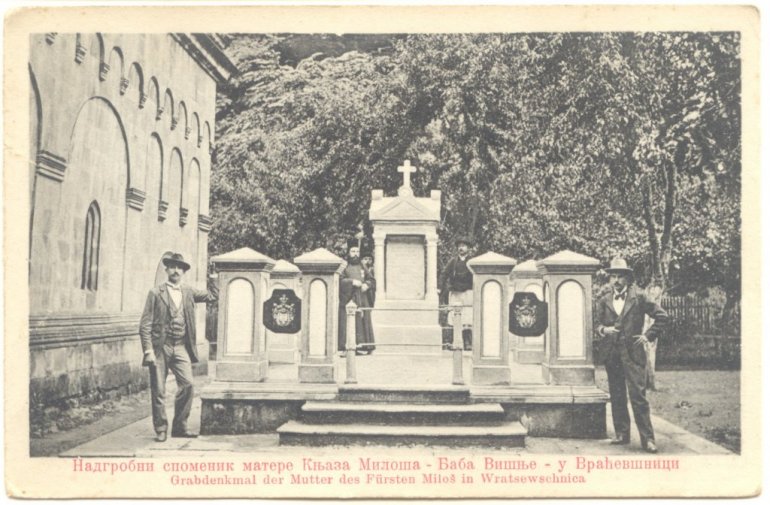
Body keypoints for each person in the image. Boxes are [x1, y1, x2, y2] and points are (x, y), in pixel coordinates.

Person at [139, 253, 218, 442]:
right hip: (161, 347)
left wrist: (214, 276)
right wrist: (148, 350)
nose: (176, 270)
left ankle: (180, 427)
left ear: (183, 272)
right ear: (167, 269)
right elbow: (145, 324)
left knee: (188, 384)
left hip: (181, 346)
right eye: (173, 267)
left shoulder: (188, 291)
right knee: (159, 389)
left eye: (180, 268)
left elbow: (213, 296)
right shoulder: (155, 293)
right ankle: (161, 429)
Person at [595, 257, 668, 454]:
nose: (616, 280)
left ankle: (648, 439)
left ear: (627, 278)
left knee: (638, 396)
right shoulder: (604, 300)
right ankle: (621, 433)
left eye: (620, 276)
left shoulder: (640, 297)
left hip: (633, 354)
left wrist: (647, 335)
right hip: (612, 354)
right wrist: (604, 330)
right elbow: (597, 325)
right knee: (617, 394)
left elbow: (662, 316)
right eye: (613, 276)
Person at [338, 241, 376, 355]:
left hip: (362, 297)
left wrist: (367, 285)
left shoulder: (362, 266)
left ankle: (365, 346)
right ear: (348, 253)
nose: (355, 254)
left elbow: (371, 279)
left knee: (363, 319)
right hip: (349, 297)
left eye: (357, 251)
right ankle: (347, 347)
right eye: (353, 251)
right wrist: (351, 282)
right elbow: (339, 280)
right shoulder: (344, 266)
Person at [439, 236, 474, 351]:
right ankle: (454, 342)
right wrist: (439, 287)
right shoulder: (453, 262)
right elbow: (444, 274)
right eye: (459, 246)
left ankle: (467, 342)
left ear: (468, 248)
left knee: (467, 316)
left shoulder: (472, 262)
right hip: (455, 292)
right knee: (454, 316)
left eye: (463, 246)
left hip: (468, 292)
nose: (461, 248)